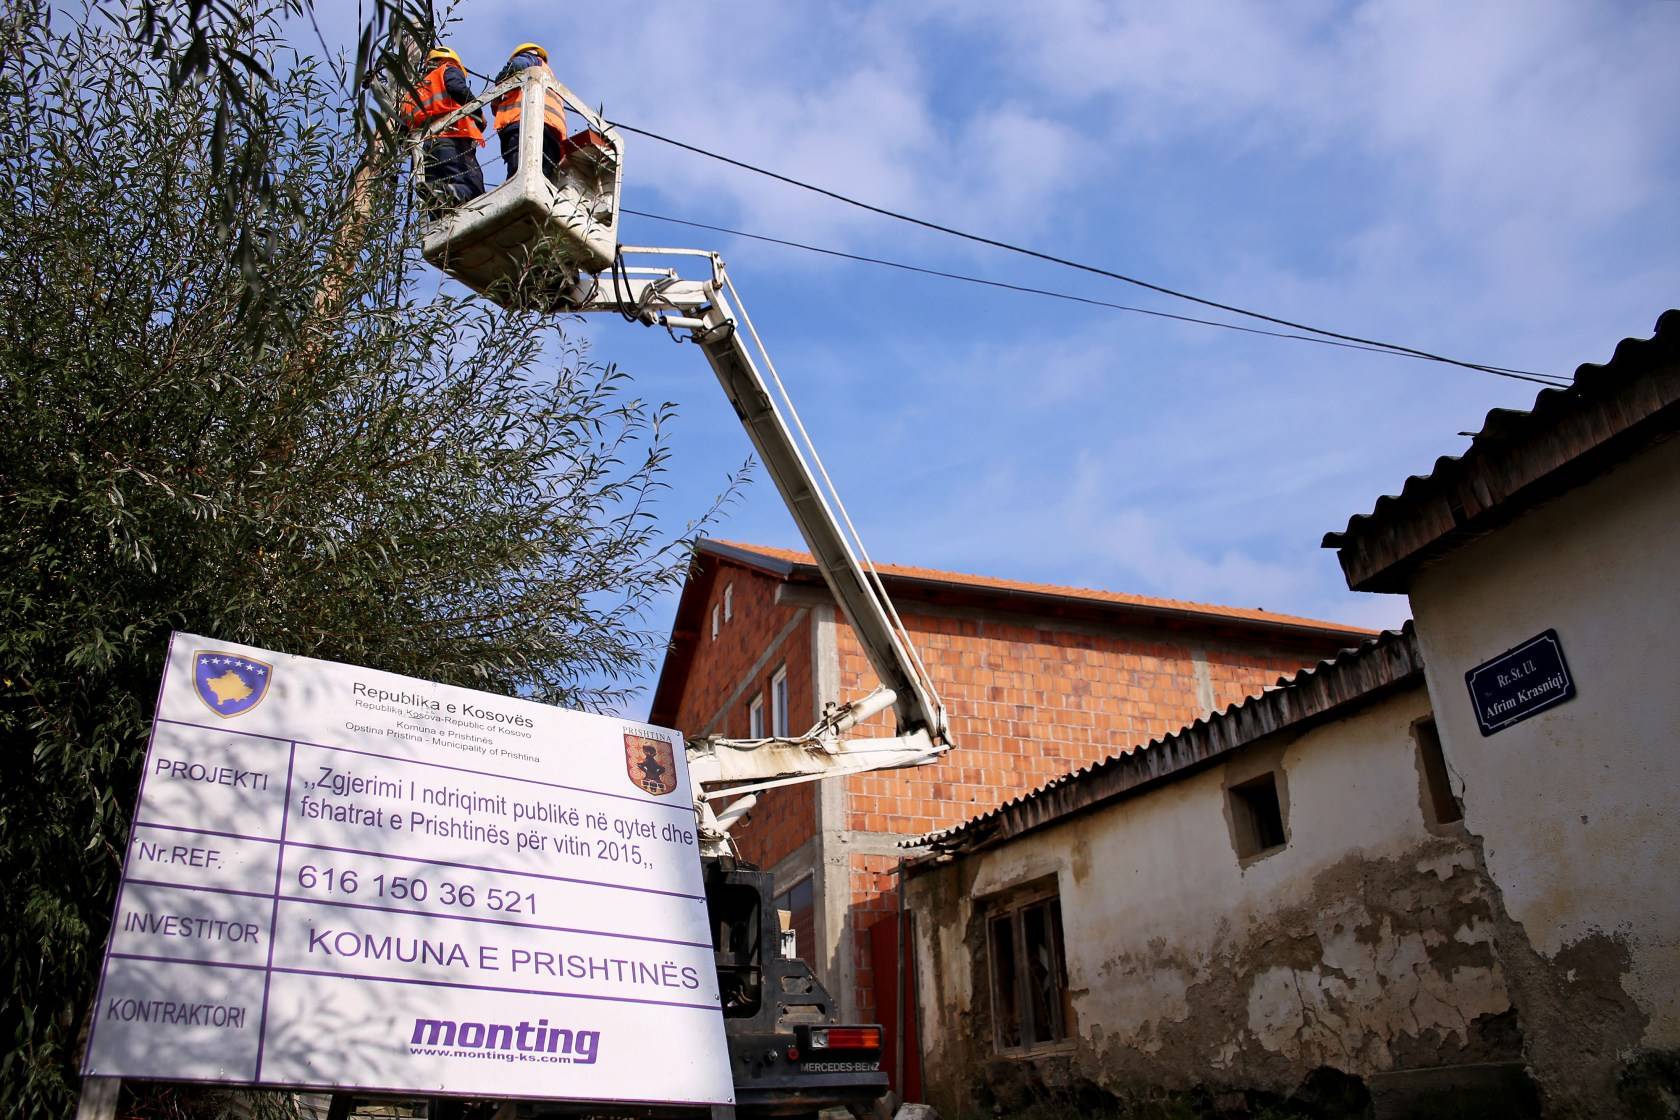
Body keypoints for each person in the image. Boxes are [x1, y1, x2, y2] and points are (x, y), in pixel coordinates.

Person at [398, 47, 486, 210]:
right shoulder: (447, 69)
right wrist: (478, 112)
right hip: (451, 138)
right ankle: (442, 194)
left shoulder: (413, 92)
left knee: (437, 195)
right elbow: (457, 88)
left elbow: (403, 129)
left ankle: (437, 214)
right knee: (472, 188)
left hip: (426, 150)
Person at [493, 43, 567, 183]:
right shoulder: (549, 77)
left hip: (525, 124)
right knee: (542, 178)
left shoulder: (529, 60)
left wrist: (498, 86)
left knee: (518, 174)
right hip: (552, 133)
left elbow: (516, 66)